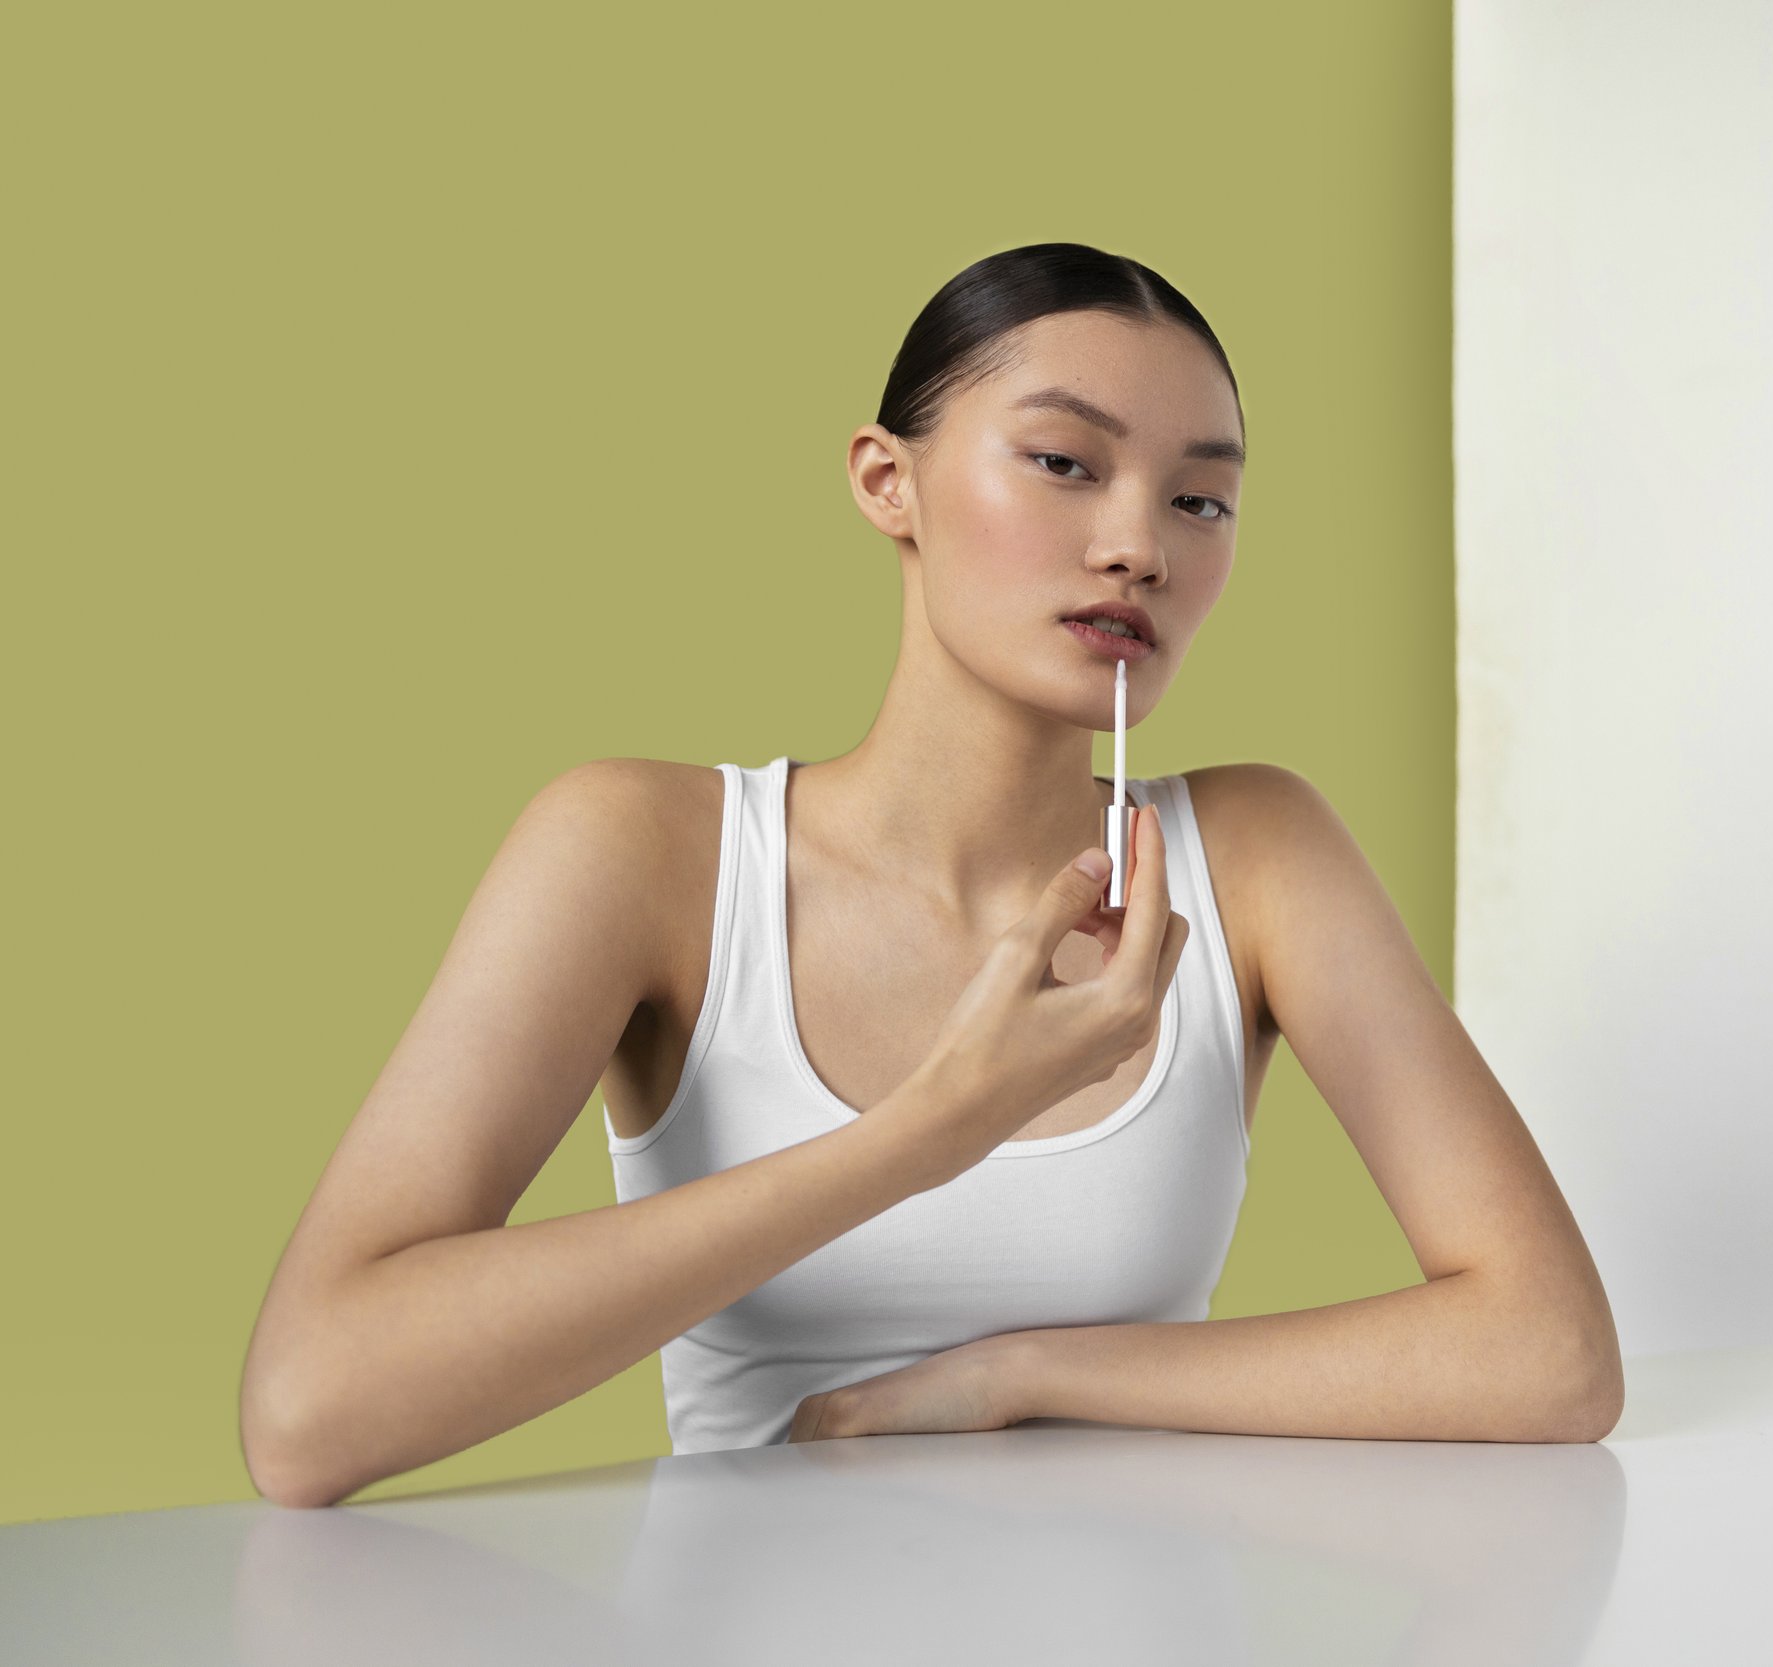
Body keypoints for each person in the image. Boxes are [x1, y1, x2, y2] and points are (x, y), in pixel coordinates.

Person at [238, 242, 1622, 1509]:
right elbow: (312, 1413)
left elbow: (1550, 1355)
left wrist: (1026, 1377)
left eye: (1201, 499)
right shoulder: (644, 853)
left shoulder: (1255, 855)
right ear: (886, 481)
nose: (1141, 544)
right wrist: (931, 1129)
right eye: (1066, 464)